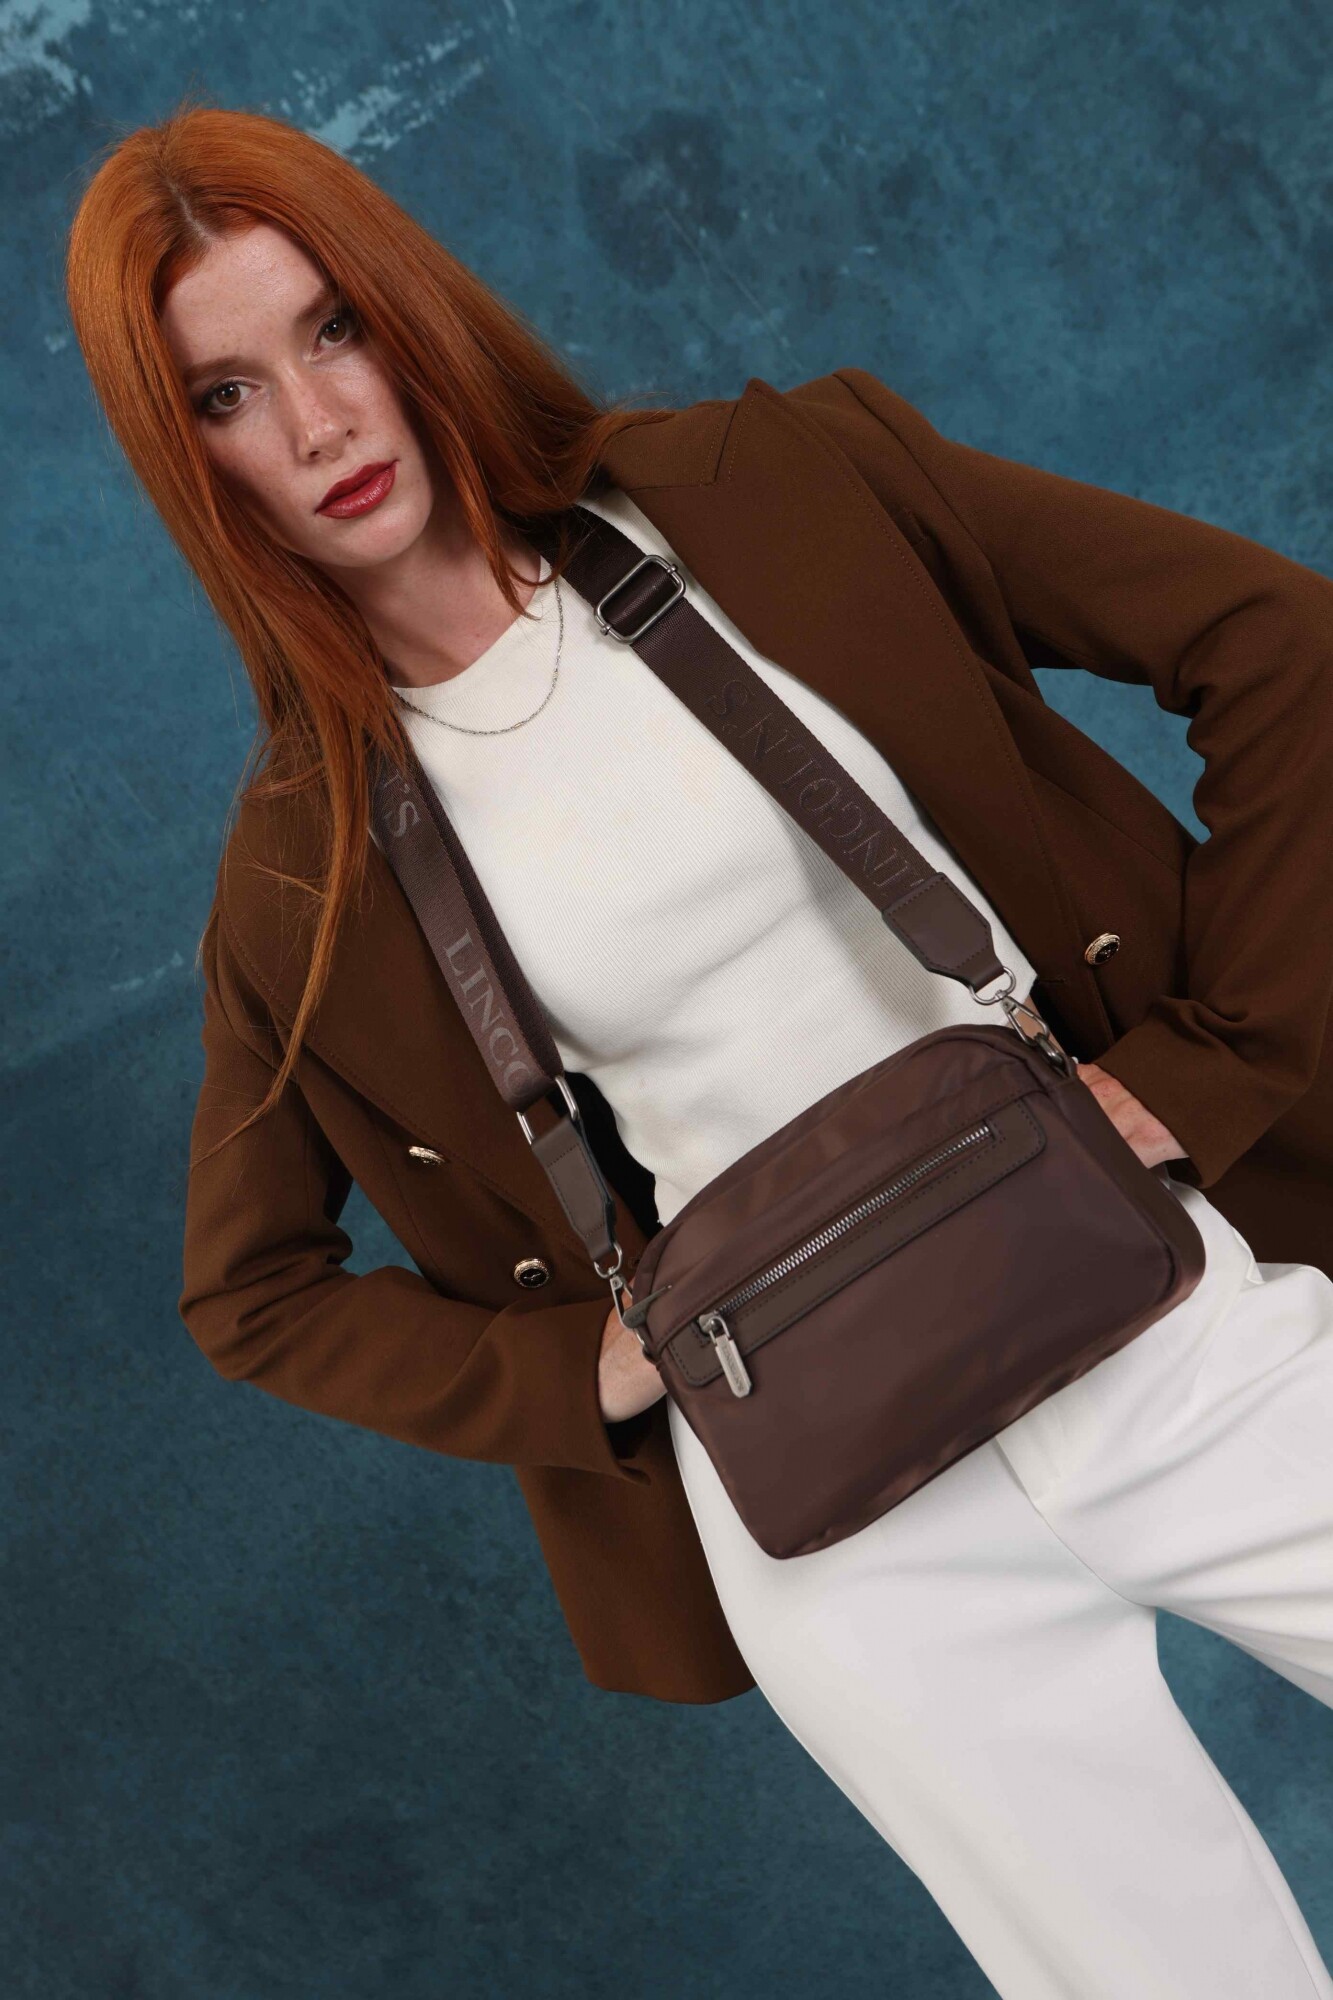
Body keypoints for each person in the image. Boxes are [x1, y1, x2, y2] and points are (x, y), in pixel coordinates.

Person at [66, 100, 1333, 2000]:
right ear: (189, 461)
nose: (317, 424)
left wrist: (1208, 1071)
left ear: (410, 313)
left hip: (1160, 1333)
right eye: (228, 396)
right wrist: (589, 1367)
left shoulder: (778, 484)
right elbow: (247, 1294)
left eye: (334, 331)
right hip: (847, 1534)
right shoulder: (300, 873)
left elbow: (1280, 641)